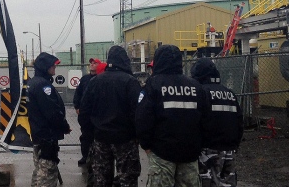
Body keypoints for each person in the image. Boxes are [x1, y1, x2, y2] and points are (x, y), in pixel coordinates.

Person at [135, 45, 209, 187]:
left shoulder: (153, 85)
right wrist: (199, 144)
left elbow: (143, 118)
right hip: (190, 153)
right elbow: (205, 118)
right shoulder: (195, 86)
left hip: (162, 153)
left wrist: (146, 145)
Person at [80, 46, 142, 187]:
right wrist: (137, 135)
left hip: (101, 138)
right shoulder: (130, 82)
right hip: (125, 140)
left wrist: (90, 133)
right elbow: (139, 112)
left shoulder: (95, 82)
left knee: (101, 179)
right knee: (128, 179)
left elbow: (84, 111)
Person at [191, 58, 243, 187]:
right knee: (227, 183)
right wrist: (234, 144)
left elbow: (195, 121)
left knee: (207, 182)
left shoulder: (200, 93)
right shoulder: (229, 94)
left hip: (207, 150)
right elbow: (239, 121)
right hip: (229, 149)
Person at [27, 52, 72, 187]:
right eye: (52, 65)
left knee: (40, 170)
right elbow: (52, 112)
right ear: (44, 66)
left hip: (38, 133)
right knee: (47, 172)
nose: (54, 67)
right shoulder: (43, 86)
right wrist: (64, 126)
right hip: (47, 135)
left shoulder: (34, 83)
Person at [73, 57, 102, 165]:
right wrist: (77, 107)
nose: (92, 64)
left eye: (95, 63)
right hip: (86, 115)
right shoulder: (85, 79)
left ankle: (97, 157)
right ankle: (85, 156)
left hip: (98, 115)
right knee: (85, 136)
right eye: (91, 63)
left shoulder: (101, 79)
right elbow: (78, 93)